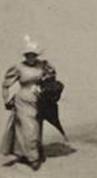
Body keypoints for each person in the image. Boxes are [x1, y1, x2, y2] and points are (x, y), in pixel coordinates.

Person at [2, 36, 54, 171]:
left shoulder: (43, 65)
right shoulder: (18, 67)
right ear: (25, 55)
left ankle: (30, 151)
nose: (31, 57)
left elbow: (51, 77)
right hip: (23, 101)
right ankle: (33, 158)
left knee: (36, 128)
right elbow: (5, 85)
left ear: (37, 55)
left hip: (39, 100)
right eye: (28, 55)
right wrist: (6, 99)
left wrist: (46, 84)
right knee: (29, 128)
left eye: (33, 55)